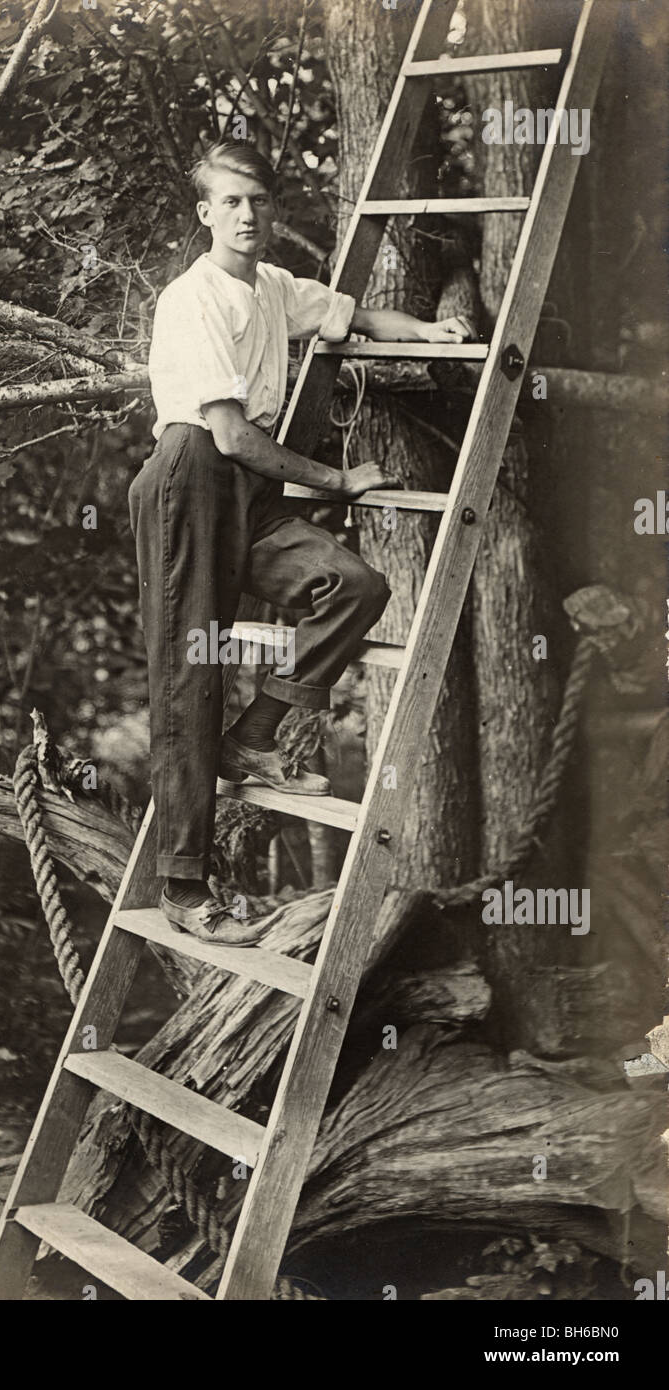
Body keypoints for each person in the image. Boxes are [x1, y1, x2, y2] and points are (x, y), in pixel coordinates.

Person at [129, 141, 470, 945]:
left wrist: (430, 328)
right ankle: (184, 885)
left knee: (353, 586)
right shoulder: (192, 298)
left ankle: (252, 737)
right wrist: (336, 479)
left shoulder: (275, 287)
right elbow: (230, 434)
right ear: (204, 214)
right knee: (189, 677)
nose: (248, 216)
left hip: (247, 494)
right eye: (231, 203)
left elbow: (348, 313)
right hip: (190, 479)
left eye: (258, 202)